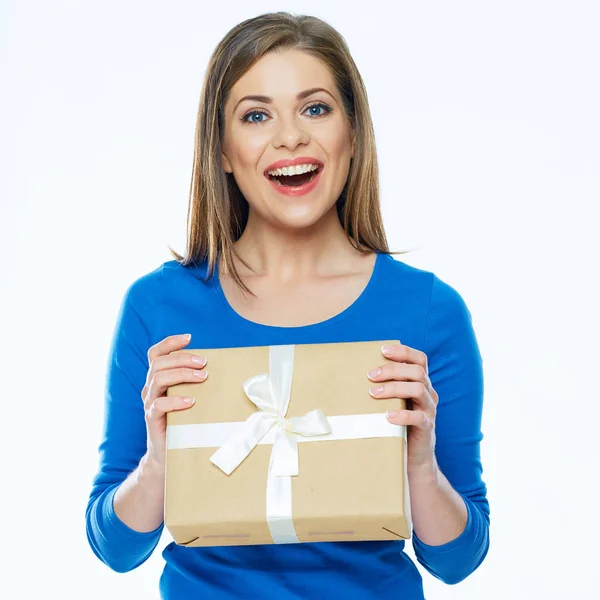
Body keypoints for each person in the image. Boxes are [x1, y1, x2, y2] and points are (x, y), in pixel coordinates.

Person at [86, 11, 490, 599]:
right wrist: (159, 458)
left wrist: (420, 465)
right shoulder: (159, 306)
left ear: (352, 132)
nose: (289, 137)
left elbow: (457, 562)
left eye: (316, 108)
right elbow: (117, 550)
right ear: (222, 150)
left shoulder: (428, 310)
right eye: (255, 115)